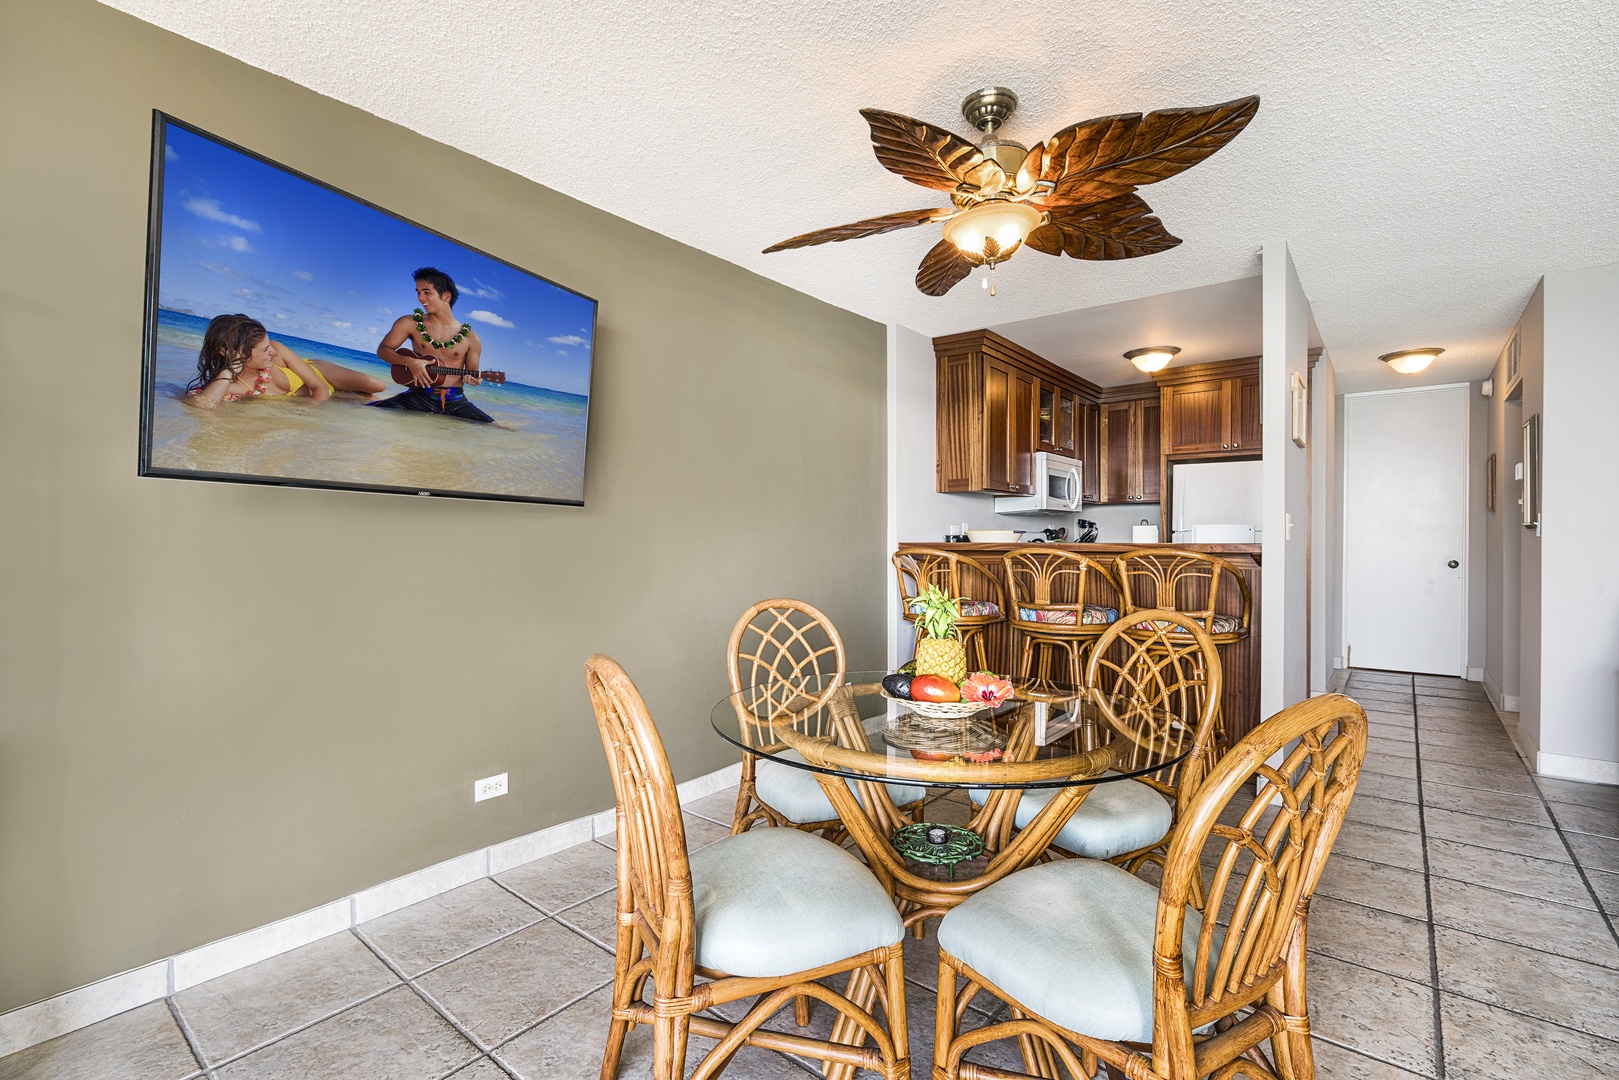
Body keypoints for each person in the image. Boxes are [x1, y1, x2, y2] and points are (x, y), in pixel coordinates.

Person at [368, 267, 492, 423]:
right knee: (369, 412)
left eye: (427, 292)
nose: (420, 298)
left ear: (446, 295)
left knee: (496, 429)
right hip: (418, 396)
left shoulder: (471, 338)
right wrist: (409, 361)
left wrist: (475, 380)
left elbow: (472, 373)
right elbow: (383, 350)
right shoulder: (409, 323)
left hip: (456, 401)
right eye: (418, 292)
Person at [183, 314, 386, 409]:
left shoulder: (277, 351)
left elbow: (320, 387)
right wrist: (229, 370)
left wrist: (306, 413)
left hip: (319, 374)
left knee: (380, 386)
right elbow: (202, 407)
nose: (271, 352)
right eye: (264, 349)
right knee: (368, 398)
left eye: (268, 344)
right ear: (236, 353)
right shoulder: (228, 386)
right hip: (320, 393)